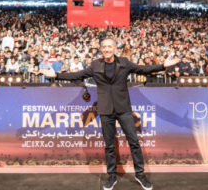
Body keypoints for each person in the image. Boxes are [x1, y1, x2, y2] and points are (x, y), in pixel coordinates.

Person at [40, 37, 179, 190]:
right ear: (101, 49)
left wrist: (163, 66)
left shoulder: (124, 63)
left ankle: (140, 175)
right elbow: (78, 75)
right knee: (109, 145)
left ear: (114, 48)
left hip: (123, 109)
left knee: (134, 142)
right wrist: (57, 76)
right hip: (106, 110)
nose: (107, 49)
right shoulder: (95, 65)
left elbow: (143, 69)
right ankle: (112, 176)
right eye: (104, 47)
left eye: (109, 46)